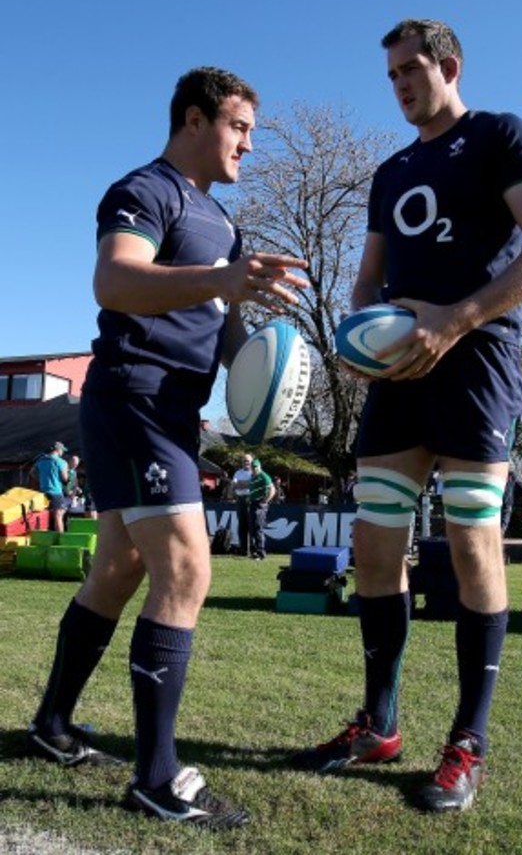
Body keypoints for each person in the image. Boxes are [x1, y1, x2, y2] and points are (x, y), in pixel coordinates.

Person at [292, 19, 522, 813]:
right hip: (398, 378)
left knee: (472, 544)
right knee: (374, 547)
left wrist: (456, 319)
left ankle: (467, 745)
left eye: (412, 69)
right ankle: (378, 723)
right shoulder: (391, 172)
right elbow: (368, 279)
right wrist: (356, 338)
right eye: (391, 75)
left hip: (477, 364)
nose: (401, 84)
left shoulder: (500, 136)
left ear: (450, 66)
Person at [26, 66, 308, 831]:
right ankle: (157, 777)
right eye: (240, 127)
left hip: (176, 410)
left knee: (117, 567)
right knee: (185, 566)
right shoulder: (147, 191)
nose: (250, 143)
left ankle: (52, 722)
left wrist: (267, 373)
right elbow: (116, 280)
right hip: (136, 396)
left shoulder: (224, 224)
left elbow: (223, 329)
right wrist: (224, 276)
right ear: (194, 120)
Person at [30, 442, 69, 533]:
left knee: (42, 517)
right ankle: (61, 540)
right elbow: (65, 479)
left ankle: (42, 540)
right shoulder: (61, 462)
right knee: (58, 516)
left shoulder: (40, 460)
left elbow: (32, 473)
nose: (62, 452)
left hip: (43, 492)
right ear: (58, 450)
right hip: (56, 492)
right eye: (62, 450)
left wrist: (40, 480)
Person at [248, 458, 275, 559]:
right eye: (253, 468)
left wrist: (265, 501)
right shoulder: (252, 477)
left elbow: (272, 489)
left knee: (258, 528)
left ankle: (261, 552)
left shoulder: (264, 476)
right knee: (252, 528)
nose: (255, 469)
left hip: (260, 504)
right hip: (252, 503)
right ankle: (254, 551)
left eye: (256, 467)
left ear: (260, 467)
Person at [232, 453, 253, 554]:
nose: (246, 463)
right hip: (240, 499)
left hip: (250, 499)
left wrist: (242, 483)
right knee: (241, 525)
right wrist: (245, 484)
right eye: (244, 461)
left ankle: (253, 549)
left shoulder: (254, 473)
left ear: (251, 462)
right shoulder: (238, 473)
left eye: (248, 461)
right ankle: (243, 549)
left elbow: (251, 484)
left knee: (251, 524)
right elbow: (235, 485)